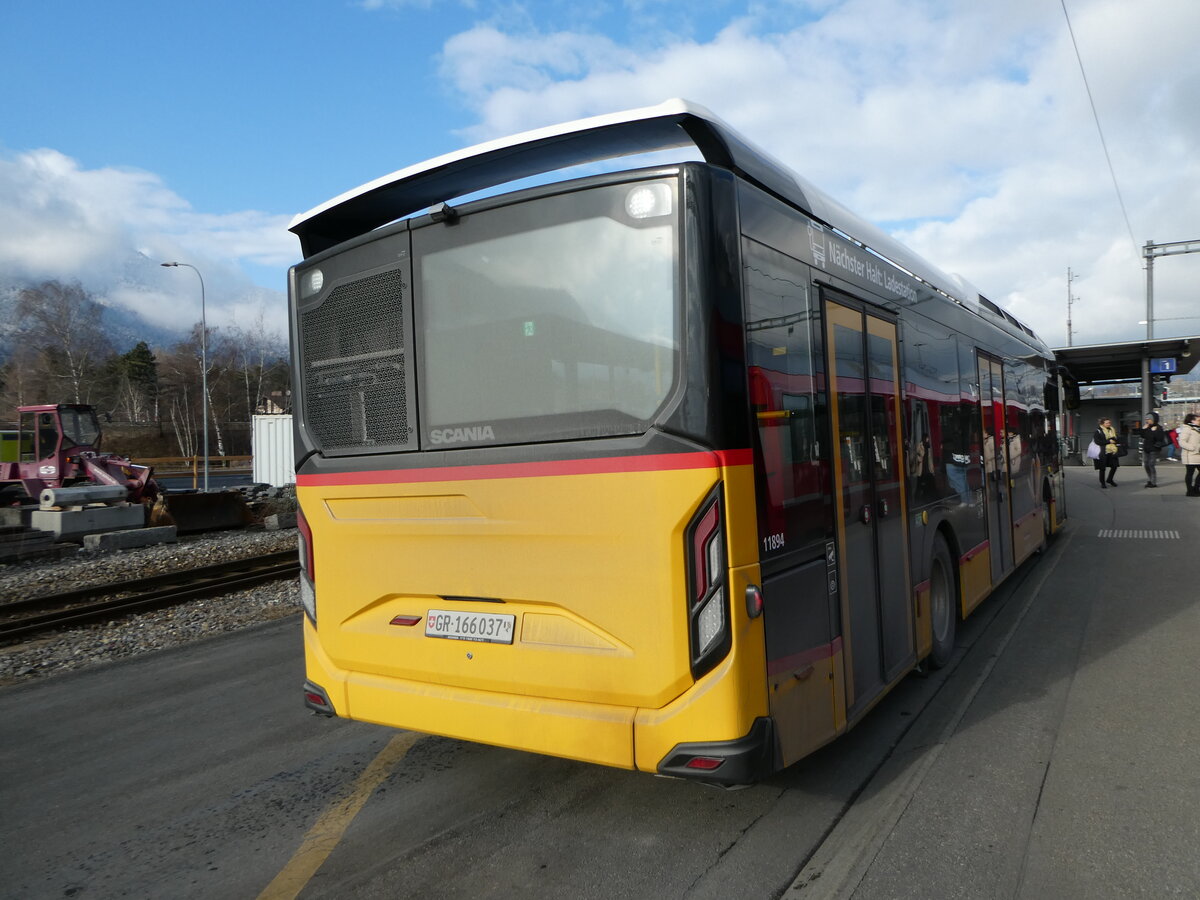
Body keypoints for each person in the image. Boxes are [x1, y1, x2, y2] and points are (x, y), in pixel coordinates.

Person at [1133, 412, 1168, 488]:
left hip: (1154, 449)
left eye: (1148, 419)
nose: (1147, 421)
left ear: (1153, 419)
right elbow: (1143, 436)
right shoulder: (1147, 427)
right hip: (1146, 449)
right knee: (1146, 465)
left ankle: (1153, 482)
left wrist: (1154, 431)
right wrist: (1143, 429)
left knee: (1151, 465)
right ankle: (1150, 479)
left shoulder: (1159, 428)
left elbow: (1159, 439)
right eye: (1146, 419)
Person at [1093, 417, 1120, 488]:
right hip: (1103, 451)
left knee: (1114, 466)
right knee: (1102, 468)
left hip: (1112, 450)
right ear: (1102, 424)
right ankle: (1102, 483)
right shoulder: (1098, 431)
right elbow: (1097, 441)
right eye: (1107, 423)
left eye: (1109, 422)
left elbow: (1115, 437)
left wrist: (1115, 440)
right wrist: (1108, 441)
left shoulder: (1112, 429)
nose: (1109, 424)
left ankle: (1110, 479)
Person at [1178, 413, 1200, 497]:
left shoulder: (1197, 429)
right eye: (1198, 420)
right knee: (1190, 473)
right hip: (1190, 455)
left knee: (1191, 473)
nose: (1199, 422)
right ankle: (1190, 491)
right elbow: (1182, 442)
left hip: (1198, 454)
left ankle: (1196, 488)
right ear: (1192, 421)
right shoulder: (1187, 429)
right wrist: (1193, 448)